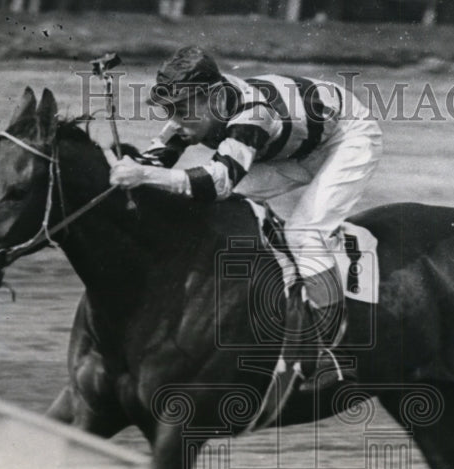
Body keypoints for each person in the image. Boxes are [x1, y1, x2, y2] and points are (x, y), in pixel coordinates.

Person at [106, 46, 383, 392]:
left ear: (213, 97)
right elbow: (160, 157)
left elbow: (217, 182)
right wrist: (124, 166)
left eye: (181, 109)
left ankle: (333, 347)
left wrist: (143, 176)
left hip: (348, 137)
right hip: (298, 146)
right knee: (229, 212)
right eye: (169, 109)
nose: (175, 120)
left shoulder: (254, 115)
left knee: (305, 234)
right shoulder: (203, 107)